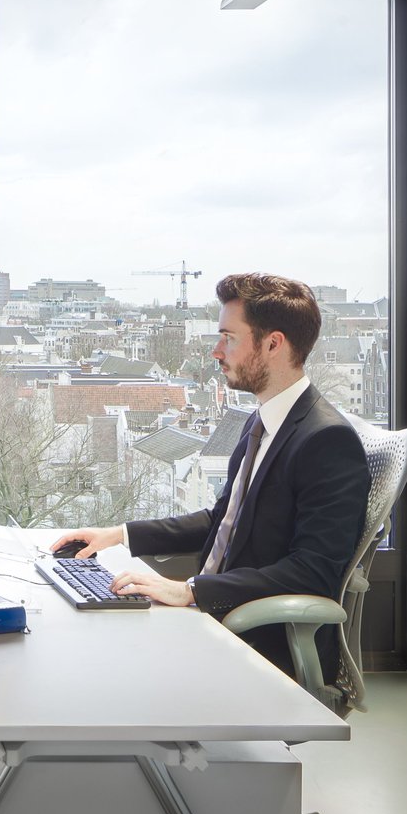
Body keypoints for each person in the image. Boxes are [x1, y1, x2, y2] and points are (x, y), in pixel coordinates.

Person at [50, 273, 371, 684]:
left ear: (273, 344)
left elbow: (313, 571)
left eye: (229, 338)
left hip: (258, 642)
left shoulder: (326, 439)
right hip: (216, 617)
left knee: (92, 666)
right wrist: (118, 534)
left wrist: (191, 591)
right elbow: (224, 519)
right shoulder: (264, 420)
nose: (216, 352)